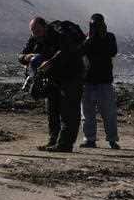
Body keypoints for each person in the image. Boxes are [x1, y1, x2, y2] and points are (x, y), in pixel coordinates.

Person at [20, 18, 85, 152]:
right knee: (52, 109)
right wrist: (26, 57)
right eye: (33, 31)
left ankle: (65, 144)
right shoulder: (35, 37)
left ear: (45, 27)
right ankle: (53, 140)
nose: (35, 34)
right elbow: (21, 55)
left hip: (71, 75)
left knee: (69, 111)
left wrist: (50, 62)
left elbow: (65, 51)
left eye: (38, 31)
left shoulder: (60, 34)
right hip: (52, 77)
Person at [79, 13, 119, 149]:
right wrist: (89, 39)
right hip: (88, 80)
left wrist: (101, 37)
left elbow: (113, 51)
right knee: (87, 113)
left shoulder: (109, 37)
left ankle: (112, 139)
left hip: (104, 80)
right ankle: (90, 139)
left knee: (108, 113)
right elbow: (81, 51)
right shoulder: (87, 38)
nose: (96, 28)